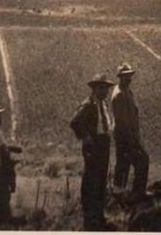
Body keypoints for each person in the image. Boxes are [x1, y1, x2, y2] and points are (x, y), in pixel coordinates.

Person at [70, 73, 116, 231]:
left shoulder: (102, 104)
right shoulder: (88, 104)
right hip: (94, 146)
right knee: (92, 181)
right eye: (102, 88)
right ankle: (90, 220)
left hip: (103, 144)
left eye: (106, 88)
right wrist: (87, 137)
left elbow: (105, 124)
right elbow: (75, 122)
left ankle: (99, 217)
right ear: (95, 88)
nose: (105, 91)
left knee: (101, 181)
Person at [111, 63, 150, 201]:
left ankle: (120, 194)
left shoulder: (126, 91)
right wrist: (133, 140)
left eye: (130, 76)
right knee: (142, 161)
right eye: (126, 76)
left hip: (127, 136)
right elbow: (122, 122)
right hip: (125, 137)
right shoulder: (120, 95)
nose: (129, 79)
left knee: (123, 164)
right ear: (120, 77)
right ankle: (137, 193)